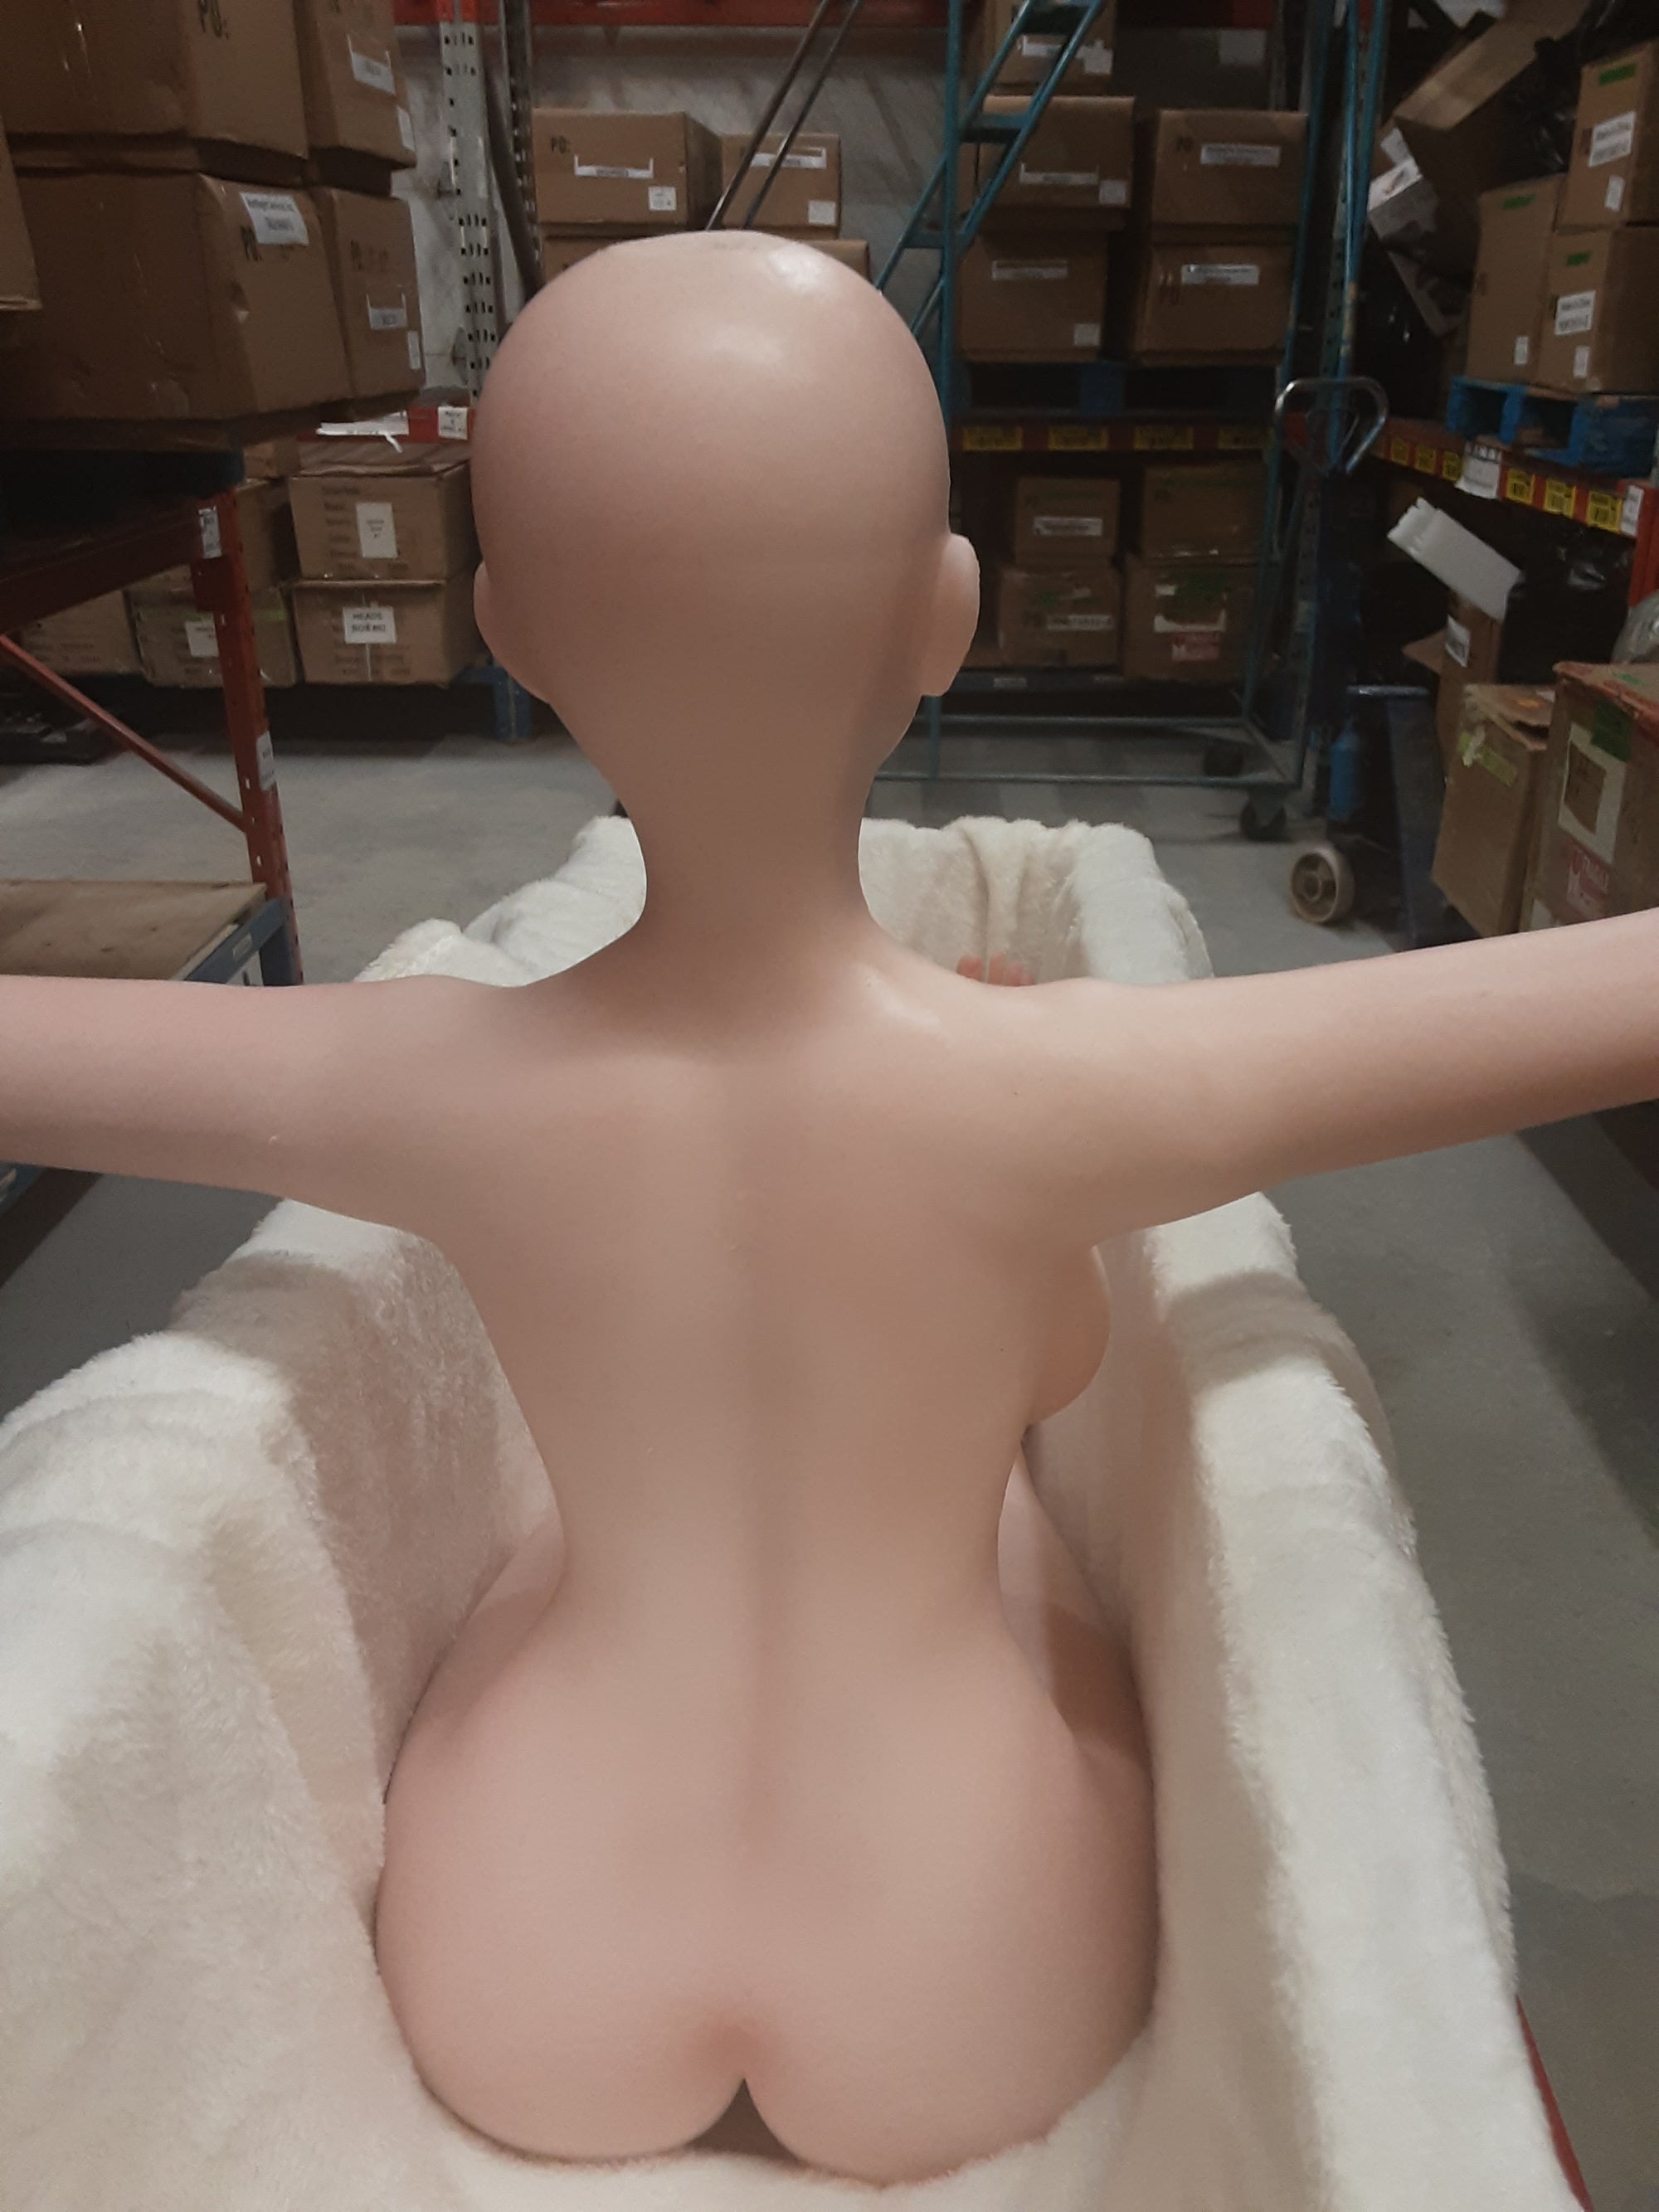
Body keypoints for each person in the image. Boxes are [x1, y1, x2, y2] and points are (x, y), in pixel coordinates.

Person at [2, 232, 1655, 2185]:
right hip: (966, 1947)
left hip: (523, 1941)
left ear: (508, 631)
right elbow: (1582, 1000)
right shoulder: (1065, 1088)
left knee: (566, 1570)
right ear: (945, 616)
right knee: (1016, 1522)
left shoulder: (425, 1077)